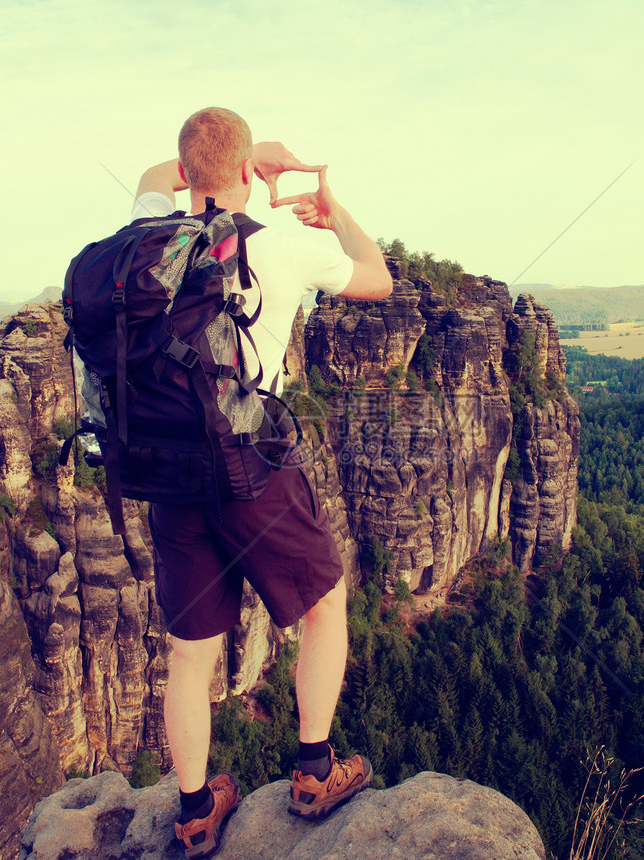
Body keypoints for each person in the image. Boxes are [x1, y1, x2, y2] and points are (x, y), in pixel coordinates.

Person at [131, 107, 392, 859]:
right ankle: (313, 771)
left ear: (189, 172)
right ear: (250, 171)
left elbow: (160, 175)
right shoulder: (286, 248)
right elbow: (376, 276)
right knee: (325, 603)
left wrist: (226, 163)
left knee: (190, 651)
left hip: (170, 474)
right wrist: (332, 208)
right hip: (252, 467)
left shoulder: (149, 232)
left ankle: (192, 812)